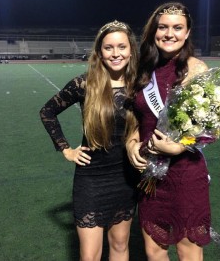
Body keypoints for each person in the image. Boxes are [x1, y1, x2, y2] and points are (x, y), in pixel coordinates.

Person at [40, 20, 140, 261]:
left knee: (119, 245)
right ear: (99, 51)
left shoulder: (140, 85)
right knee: (90, 255)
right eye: (109, 48)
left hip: (126, 176)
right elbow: (47, 112)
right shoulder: (84, 83)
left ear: (131, 50)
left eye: (121, 47)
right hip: (91, 179)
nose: (116, 53)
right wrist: (66, 150)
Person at [126, 2, 211, 261]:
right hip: (150, 173)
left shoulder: (197, 69)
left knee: (188, 249)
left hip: (185, 173)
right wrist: (131, 143)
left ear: (186, 33)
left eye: (177, 28)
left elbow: (210, 125)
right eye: (163, 27)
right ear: (154, 31)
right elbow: (134, 116)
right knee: (154, 251)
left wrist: (178, 146)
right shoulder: (142, 70)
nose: (169, 33)